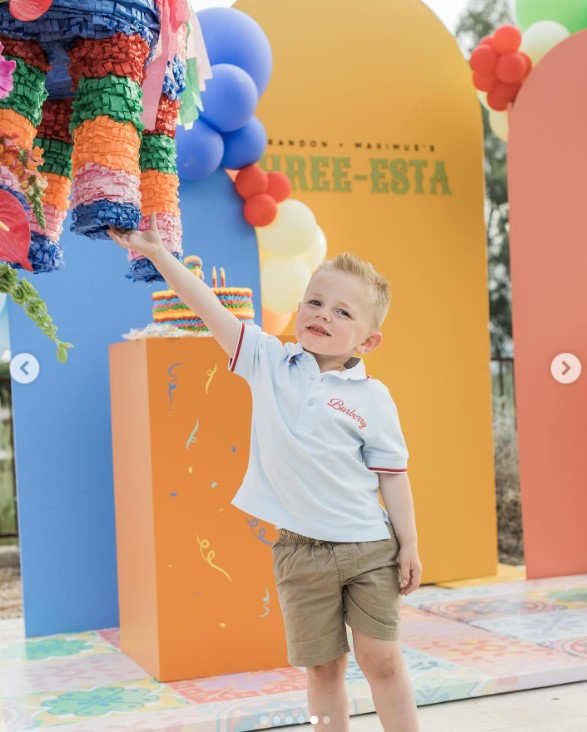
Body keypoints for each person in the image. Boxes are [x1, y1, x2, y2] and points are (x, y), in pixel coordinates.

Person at [108, 214, 422, 732]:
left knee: (381, 661)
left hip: (369, 550)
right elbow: (207, 308)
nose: (322, 314)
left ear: (368, 342)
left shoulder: (375, 399)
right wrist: (159, 254)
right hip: (299, 552)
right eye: (314, 302)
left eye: (342, 311)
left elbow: (394, 477)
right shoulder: (267, 361)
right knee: (324, 667)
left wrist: (408, 545)